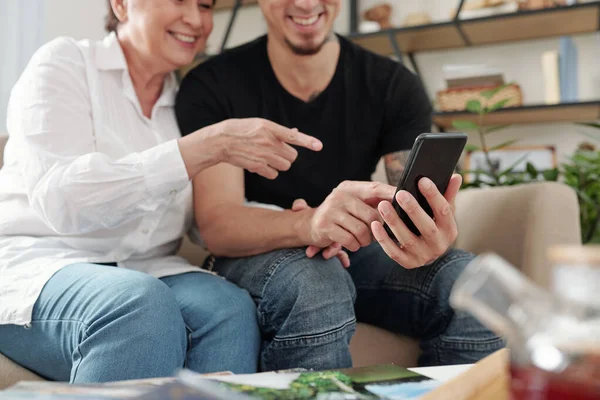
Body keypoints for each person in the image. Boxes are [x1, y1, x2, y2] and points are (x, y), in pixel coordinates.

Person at [0, 0, 324, 383]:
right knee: (137, 304)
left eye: (205, 5)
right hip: (41, 266)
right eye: (178, 1)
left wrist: (308, 222)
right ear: (121, 4)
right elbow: (63, 200)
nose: (196, 19)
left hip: (147, 267)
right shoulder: (63, 64)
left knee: (228, 309)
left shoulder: (189, 102)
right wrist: (200, 148)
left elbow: (209, 217)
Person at [175, 0, 505, 372]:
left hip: (356, 251)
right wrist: (312, 224)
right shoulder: (214, 83)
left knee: (474, 284)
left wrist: (426, 234)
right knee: (316, 283)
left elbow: (412, 205)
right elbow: (219, 225)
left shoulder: (392, 84)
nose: (305, 3)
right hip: (254, 252)